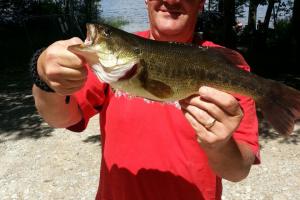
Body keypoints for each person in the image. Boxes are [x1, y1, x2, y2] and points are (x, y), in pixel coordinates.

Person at [32, 0, 260, 199]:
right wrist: (44, 76)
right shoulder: (106, 65)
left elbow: (238, 171)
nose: (171, 0)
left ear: (201, 2)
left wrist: (220, 146)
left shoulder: (230, 67)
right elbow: (61, 117)